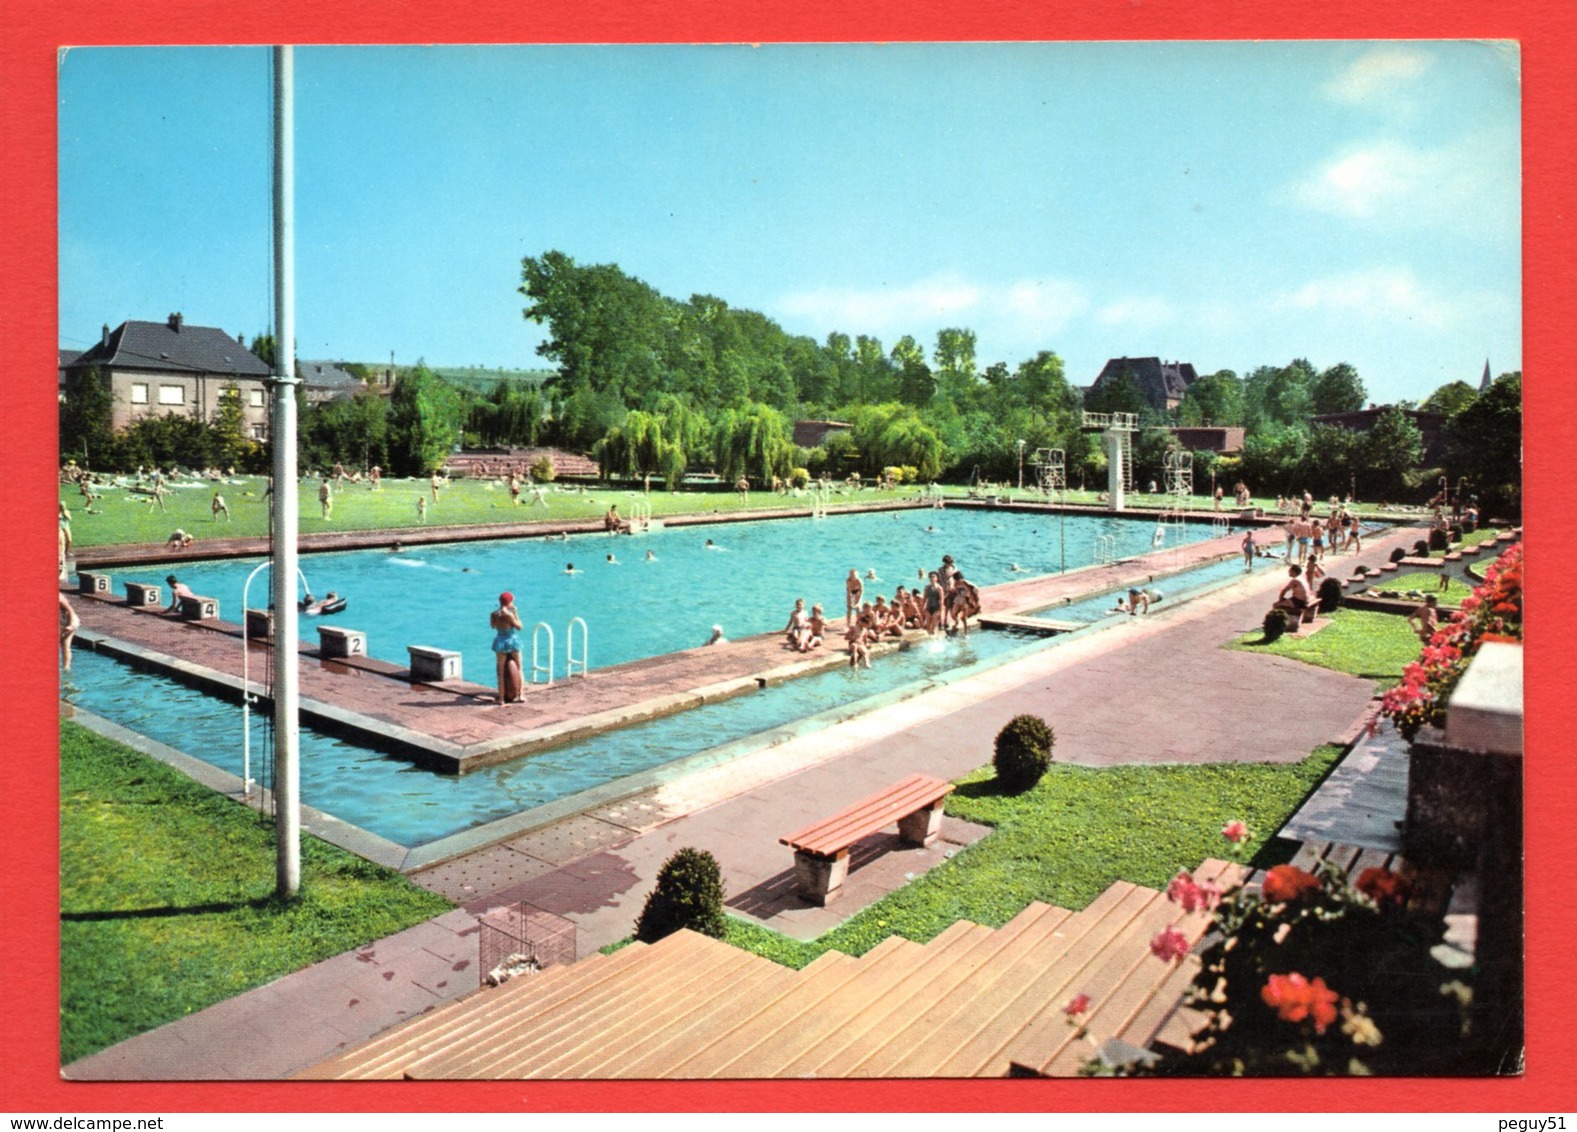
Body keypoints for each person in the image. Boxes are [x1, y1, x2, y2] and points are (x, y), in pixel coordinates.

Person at [490, 592, 524, 705]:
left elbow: (493, 626)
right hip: (511, 641)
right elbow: (519, 627)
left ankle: (501, 698)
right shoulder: (509, 615)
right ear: (509, 602)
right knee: (519, 668)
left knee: (500, 671)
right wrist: (515, 613)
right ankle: (520, 694)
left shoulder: (494, 614)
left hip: (500, 641)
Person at [1272, 564, 1311, 630]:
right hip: (1305, 600)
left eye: (1290, 570)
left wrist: (1280, 600)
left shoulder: (1295, 580)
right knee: (1284, 602)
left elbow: (1284, 590)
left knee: (1276, 605)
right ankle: (1281, 621)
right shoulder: (1301, 578)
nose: (1288, 571)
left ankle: (1276, 624)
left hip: (1299, 601)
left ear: (1293, 572)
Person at [59, 593, 79, 671]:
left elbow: (70, 610)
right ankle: (66, 667)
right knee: (65, 646)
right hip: (63, 620)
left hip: (69, 621)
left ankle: (66, 668)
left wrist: (70, 625)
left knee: (65, 645)